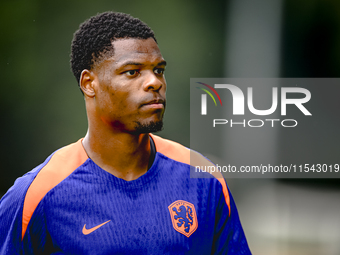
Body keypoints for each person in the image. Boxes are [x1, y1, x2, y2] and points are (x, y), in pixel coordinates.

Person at [0, 11, 251, 254]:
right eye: (132, 72)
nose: (155, 82)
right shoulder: (38, 193)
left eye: (159, 70)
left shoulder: (203, 178)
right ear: (89, 84)